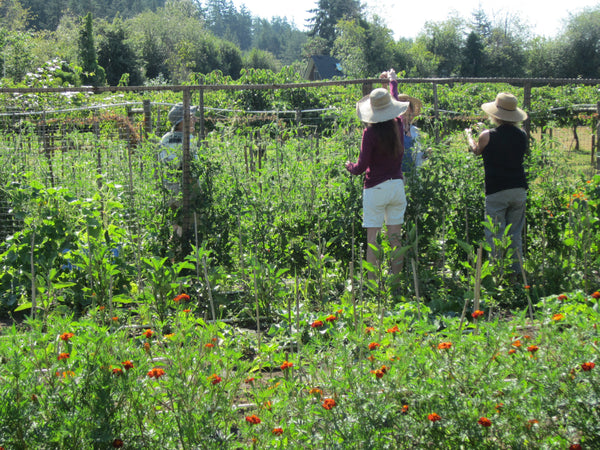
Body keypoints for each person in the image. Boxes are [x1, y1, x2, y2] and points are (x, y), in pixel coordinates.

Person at [345, 88, 410, 280]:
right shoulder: (398, 124)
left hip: (375, 188)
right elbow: (395, 103)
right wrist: (393, 82)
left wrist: (350, 166)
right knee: (395, 239)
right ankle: (395, 282)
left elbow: (360, 167)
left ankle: (372, 286)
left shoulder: (370, 133)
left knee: (372, 240)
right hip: (397, 186)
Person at [465, 92, 528, 275]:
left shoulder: (486, 135)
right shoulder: (522, 134)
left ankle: (498, 273)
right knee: (514, 233)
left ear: (495, 114)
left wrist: (469, 135)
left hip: (496, 190)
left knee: (495, 233)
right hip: (518, 189)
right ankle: (517, 273)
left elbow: (476, 150)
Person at [158, 102, 199, 241]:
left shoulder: (165, 138)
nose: (195, 120)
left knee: (175, 224)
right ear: (183, 121)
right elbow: (194, 166)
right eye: (192, 116)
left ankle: (173, 251)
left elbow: (164, 162)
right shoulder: (188, 139)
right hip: (185, 188)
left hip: (169, 187)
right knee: (189, 224)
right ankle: (183, 251)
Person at [379, 69, 426, 178]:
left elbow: (418, 156)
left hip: (412, 176)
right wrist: (385, 86)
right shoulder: (393, 127)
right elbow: (385, 108)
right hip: (394, 175)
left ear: (411, 112)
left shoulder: (415, 131)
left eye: (407, 110)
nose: (404, 114)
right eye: (402, 110)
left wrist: (425, 154)